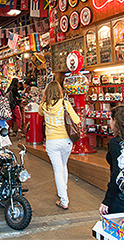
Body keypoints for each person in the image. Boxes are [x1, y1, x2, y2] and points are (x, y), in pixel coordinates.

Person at [38, 80, 82, 210]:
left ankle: (64, 199)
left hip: (52, 142)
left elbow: (40, 113)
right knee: (63, 166)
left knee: (58, 169)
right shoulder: (65, 104)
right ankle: (63, 191)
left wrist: (43, 97)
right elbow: (77, 120)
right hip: (66, 141)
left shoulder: (44, 106)